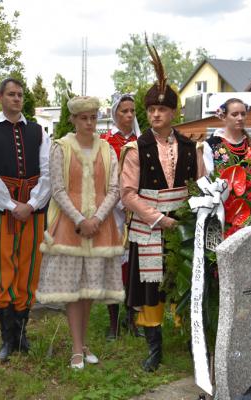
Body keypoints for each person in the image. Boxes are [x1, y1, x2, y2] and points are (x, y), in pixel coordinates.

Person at [120, 41, 206, 372]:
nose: (156, 114)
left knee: (184, 282)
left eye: (162, 110)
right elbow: (127, 193)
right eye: (151, 110)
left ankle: (190, 338)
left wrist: (186, 218)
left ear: (173, 113)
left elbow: (200, 187)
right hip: (149, 227)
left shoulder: (190, 146)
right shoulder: (134, 149)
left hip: (183, 227)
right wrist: (158, 218)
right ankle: (154, 348)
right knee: (151, 289)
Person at [36, 96, 125, 370]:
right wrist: (79, 219)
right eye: (83, 117)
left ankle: (84, 343)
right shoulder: (61, 148)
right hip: (69, 227)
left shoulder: (107, 150)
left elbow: (114, 188)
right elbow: (58, 189)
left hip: (100, 227)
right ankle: (76, 348)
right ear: (73, 119)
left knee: (88, 288)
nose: (89, 122)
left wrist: (97, 218)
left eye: (93, 117)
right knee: (74, 290)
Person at [0, 78, 51, 361]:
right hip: (1, 211)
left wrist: (31, 204)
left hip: (32, 211)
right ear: (0, 97)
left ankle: (21, 335)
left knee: (30, 268)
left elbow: (49, 171)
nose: (17, 99)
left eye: (20, 94)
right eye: (11, 94)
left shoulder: (40, 132)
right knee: (3, 268)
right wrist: (9, 204)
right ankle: (7, 338)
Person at [100, 93, 141, 340]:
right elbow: (102, 177)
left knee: (134, 267)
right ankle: (113, 322)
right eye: (123, 111)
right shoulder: (105, 143)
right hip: (113, 213)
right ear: (115, 114)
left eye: (132, 111)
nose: (128, 115)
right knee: (113, 267)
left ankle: (132, 318)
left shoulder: (142, 142)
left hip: (136, 212)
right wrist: (116, 203)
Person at [203, 98, 251, 187]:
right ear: (223, 117)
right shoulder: (210, 146)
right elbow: (207, 178)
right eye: (234, 114)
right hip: (220, 198)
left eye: (243, 114)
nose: (240, 118)